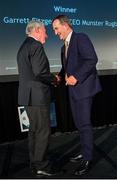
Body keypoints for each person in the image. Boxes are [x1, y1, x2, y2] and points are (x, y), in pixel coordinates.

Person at [52, 15, 102, 176]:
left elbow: (91, 59)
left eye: (56, 28)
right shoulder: (63, 47)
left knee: (85, 124)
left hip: (84, 89)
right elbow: (67, 67)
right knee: (79, 124)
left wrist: (76, 77)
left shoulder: (81, 38)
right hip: (73, 90)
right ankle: (84, 151)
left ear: (66, 25)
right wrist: (60, 76)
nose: (55, 32)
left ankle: (87, 158)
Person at [17, 20, 57, 177]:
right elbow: (40, 72)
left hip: (27, 97)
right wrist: (54, 79)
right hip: (38, 97)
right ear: (37, 30)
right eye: (45, 31)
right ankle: (42, 165)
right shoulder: (36, 46)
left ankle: (35, 163)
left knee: (34, 131)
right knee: (42, 132)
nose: (46, 35)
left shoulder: (23, 47)